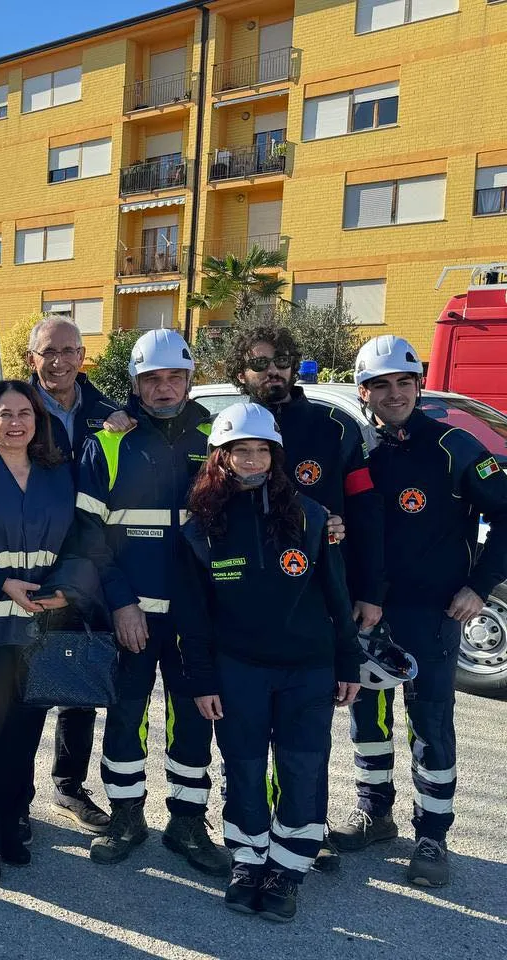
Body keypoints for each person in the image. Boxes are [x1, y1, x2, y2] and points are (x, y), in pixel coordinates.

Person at [330, 335, 507, 888]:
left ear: (419, 386)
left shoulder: (455, 446)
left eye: (404, 382)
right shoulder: (357, 451)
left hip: (434, 613)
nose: (394, 393)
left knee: (429, 719)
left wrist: (479, 586)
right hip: (367, 613)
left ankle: (433, 833)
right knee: (368, 715)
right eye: (380, 385)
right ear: (364, 391)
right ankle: (374, 812)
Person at [175, 402, 362, 922]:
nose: (253, 460)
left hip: (308, 669)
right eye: (241, 451)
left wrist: (348, 662)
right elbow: (192, 613)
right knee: (245, 764)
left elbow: (337, 596)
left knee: (303, 766)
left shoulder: (313, 515)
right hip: (238, 669)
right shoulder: (201, 526)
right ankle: (247, 859)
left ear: (275, 456)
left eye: (262, 450)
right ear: (221, 457)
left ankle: (287, 867)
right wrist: (202, 678)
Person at [0, 380, 109, 882]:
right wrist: (1, 582)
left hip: (39, 619)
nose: (15, 423)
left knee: (22, 733)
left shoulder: (58, 472)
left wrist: (65, 589)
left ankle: (13, 824)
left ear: (39, 421)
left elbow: (81, 538)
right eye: (4, 414)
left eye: (25, 414)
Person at [228, 325, 385, 871]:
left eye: (283, 361)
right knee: (249, 737)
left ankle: (304, 833)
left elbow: (366, 515)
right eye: (261, 363)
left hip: (322, 600)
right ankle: (252, 835)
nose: (273, 371)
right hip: (247, 606)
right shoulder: (228, 428)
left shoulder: (334, 426)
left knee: (303, 737)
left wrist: (370, 591)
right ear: (241, 373)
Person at [74, 328, 230, 876]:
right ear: (136, 383)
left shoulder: (218, 437)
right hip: (132, 613)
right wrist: (120, 603)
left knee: (194, 720)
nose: (164, 388)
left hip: (197, 617)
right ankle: (125, 816)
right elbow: (88, 535)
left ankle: (187, 822)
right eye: (152, 378)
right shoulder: (110, 442)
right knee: (126, 716)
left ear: (189, 378)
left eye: (174, 377)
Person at [26, 315, 121, 835]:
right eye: (48, 352)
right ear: (31, 358)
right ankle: (14, 792)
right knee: (24, 680)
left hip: (88, 565)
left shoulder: (111, 414)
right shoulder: (14, 409)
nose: (58, 362)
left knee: (79, 678)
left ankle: (68, 785)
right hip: (28, 564)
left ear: (83, 357)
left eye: (68, 351)